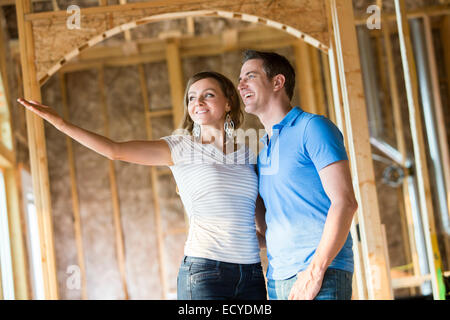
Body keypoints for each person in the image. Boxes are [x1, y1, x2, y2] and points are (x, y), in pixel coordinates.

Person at [17, 71, 267, 300]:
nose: (197, 102)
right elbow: (114, 150)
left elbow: (257, 221)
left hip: (253, 274)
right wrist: (61, 123)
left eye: (208, 95)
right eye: (191, 98)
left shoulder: (246, 154)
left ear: (228, 103)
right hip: (205, 274)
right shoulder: (179, 148)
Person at [238, 50, 358, 300]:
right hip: (277, 279)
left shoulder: (312, 128)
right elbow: (272, 227)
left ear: (277, 82)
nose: (240, 85)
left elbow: (345, 202)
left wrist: (314, 272)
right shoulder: (264, 150)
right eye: (240, 79)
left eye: (250, 76)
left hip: (321, 274)